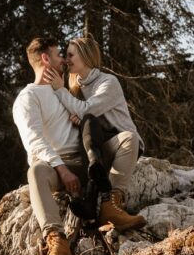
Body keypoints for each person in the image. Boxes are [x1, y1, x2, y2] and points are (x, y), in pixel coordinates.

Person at [41, 34, 146, 233]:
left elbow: (85, 110)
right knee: (88, 122)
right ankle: (91, 192)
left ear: (86, 56)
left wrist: (61, 91)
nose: (66, 59)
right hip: (93, 149)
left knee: (110, 128)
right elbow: (75, 113)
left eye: (71, 55)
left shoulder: (108, 82)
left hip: (120, 145)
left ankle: (110, 205)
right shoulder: (75, 88)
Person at [12, 36, 84, 255]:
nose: (63, 59)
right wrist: (62, 169)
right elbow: (34, 140)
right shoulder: (28, 97)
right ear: (45, 58)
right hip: (54, 167)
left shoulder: (64, 89)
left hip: (85, 159)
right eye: (58, 55)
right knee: (36, 171)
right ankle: (58, 243)